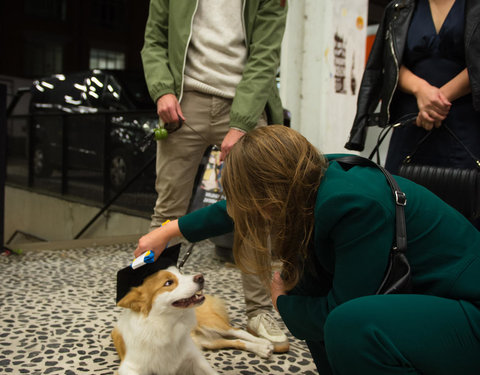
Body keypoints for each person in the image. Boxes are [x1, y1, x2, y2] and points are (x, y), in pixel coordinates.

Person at [135, 125, 480, 375]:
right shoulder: (310, 172)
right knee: (307, 283)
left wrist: (281, 302)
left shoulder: (353, 206)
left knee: (348, 324)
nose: (247, 211)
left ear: (269, 196)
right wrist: (167, 232)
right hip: (434, 301)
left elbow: (340, 311)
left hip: (468, 311)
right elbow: (233, 209)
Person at [140, 0, 289, 352]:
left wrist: (243, 122)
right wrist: (161, 88)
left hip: (245, 103)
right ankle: (148, 310)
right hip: (182, 100)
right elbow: (154, 39)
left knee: (255, 212)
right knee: (166, 212)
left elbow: (265, 54)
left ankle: (258, 312)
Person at [345, 0, 480, 173]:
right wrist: (421, 89)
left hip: (465, 122)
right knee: (403, 192)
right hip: (411, 119)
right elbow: (389, 62)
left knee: (463, 193)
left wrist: (436, 100)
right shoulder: (399, 7)